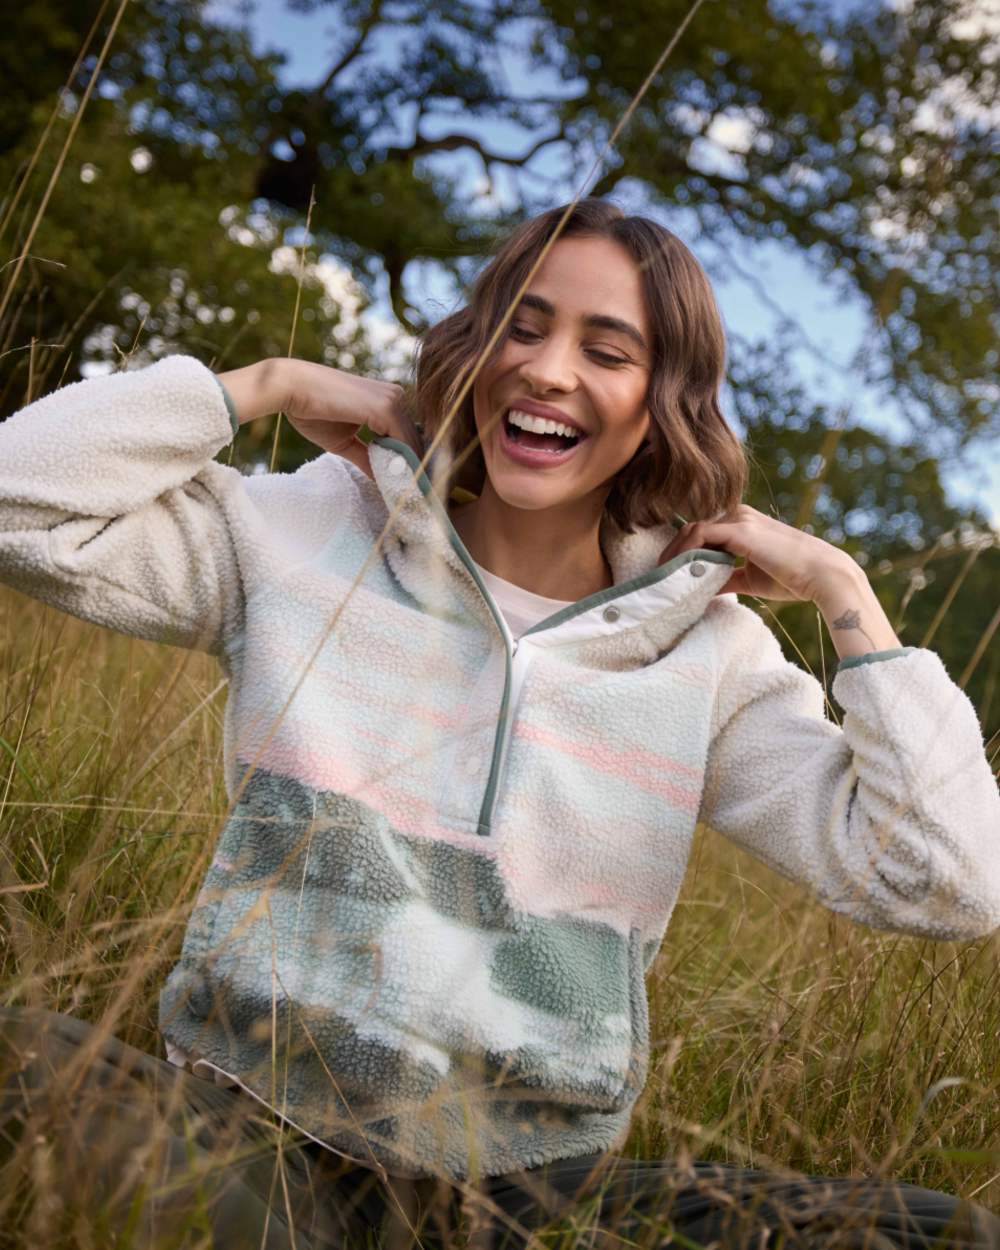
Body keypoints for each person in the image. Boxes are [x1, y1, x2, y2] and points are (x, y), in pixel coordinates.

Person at [0, 197, 998, 1248]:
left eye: (606, 350)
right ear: (472, 349)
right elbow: (20, 500)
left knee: (936, 1234)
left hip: (521, 1194)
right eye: (521, 326)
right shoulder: (307, 529)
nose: (548, 368)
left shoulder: (707, 653)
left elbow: (952, 878)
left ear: (662, 403)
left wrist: (846, 593)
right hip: (251, 1125)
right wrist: (264, 385)